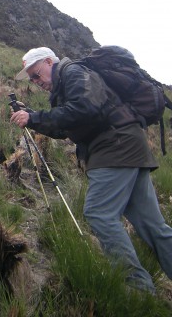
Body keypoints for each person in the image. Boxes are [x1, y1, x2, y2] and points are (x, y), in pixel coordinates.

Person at [10, 47, 172, 293]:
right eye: (31, 79)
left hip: (114, 147)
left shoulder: (73, 72)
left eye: (36, 74)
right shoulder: (66, 84)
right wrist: (33, 117)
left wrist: (35, 119)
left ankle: (138, 289)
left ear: (48, 62)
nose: (36, 82)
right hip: (127, 145)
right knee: (152, 225)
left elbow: (84, 108)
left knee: (99, 213)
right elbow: (66, 127)